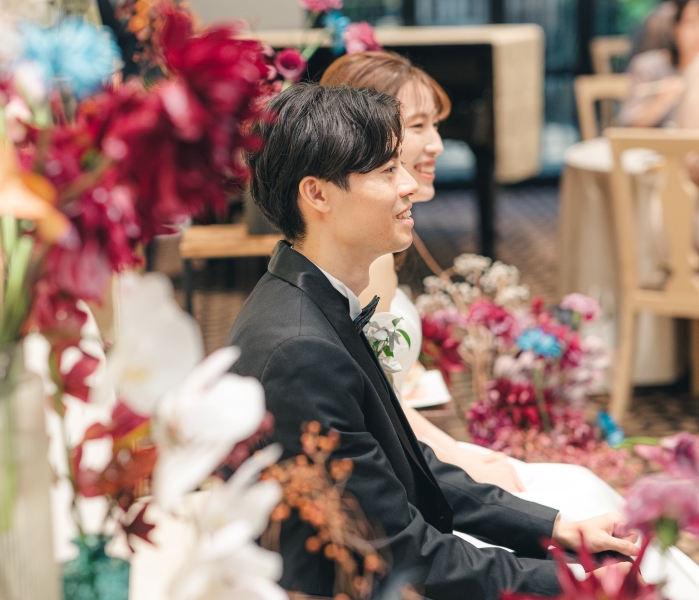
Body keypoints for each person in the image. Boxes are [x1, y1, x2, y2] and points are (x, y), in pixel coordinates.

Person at [227, 83, 637, 600]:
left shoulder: (314, 299)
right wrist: (574, 582)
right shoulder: (300, 351)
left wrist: (558, 528)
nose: (408, 185)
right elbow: (402, 554)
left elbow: (405, 467)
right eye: (386, 171)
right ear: (318, 194)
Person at [321, 51, 525, 493]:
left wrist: (457, 452)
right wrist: (462, 465)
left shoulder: (373, 249)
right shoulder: (366, 263)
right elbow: (372, 407)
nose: (437, 144)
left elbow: (384, 396)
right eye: (417, 126)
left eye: (435, 124)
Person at [619, 0, 699, 128]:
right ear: (675, 28)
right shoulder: (648, 66)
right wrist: (662, 100)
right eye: (692, 23)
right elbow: (628, 124)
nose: (698, 32)